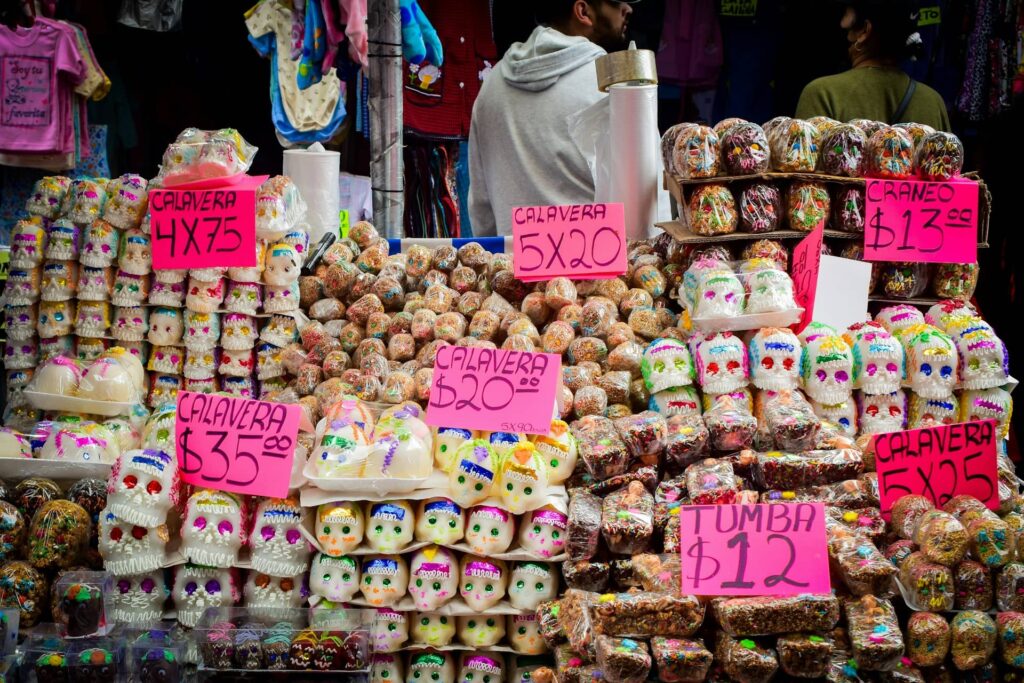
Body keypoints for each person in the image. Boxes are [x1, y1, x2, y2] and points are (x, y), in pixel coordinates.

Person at [469, 0, 635, 236]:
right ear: (582, 11)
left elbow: (481, 205)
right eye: (617, 1)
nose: (628, 8)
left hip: (510, 266)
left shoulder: (491, 86)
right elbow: (643, 201)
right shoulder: (612, 87)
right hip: (596, 267)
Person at [795, 0, 950, 130]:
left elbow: (800, 161)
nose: (842, 24)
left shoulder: (822, 94)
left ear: (865, 31)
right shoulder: (933, 102)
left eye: (846, 14)